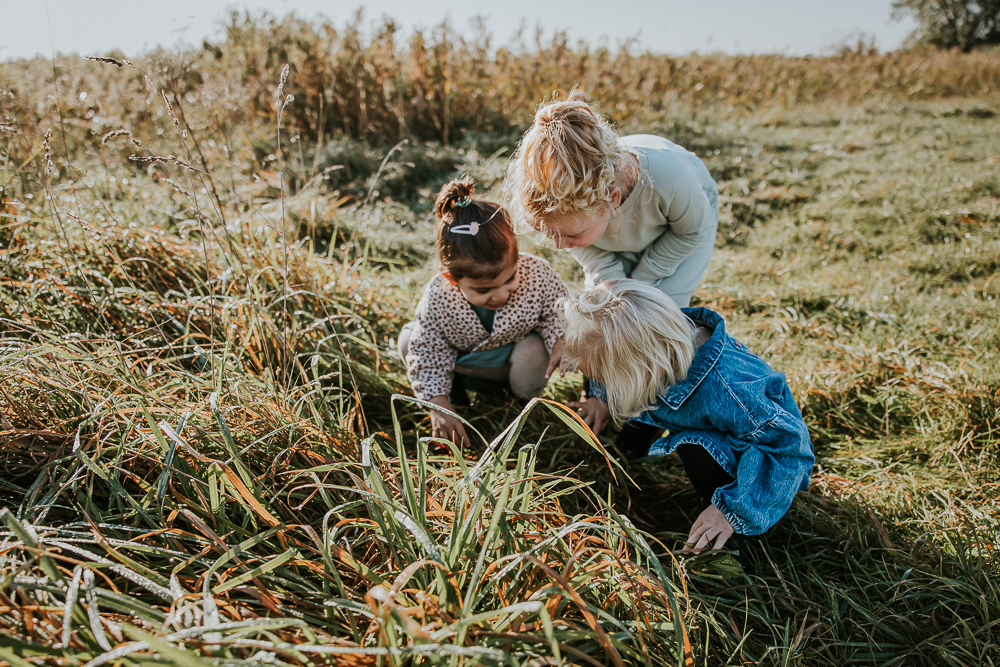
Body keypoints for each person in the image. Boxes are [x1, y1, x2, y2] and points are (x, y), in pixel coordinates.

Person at [504, 94, 720, 432]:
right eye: (550, 235)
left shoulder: (670, 177)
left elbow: (690, 232)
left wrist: (640, 283)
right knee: (601, 318)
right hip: (602, 232)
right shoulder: (573, 220)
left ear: (612, 201)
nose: (560, 247)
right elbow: (587, 251)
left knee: (661, 316)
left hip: (682, 234)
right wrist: (611, 283)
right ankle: (602, 398)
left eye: (568, 236)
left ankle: (654, 410)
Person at [559, 280, 814, 553]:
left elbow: (789, 450)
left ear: (646, 367)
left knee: (697, 449)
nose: (603, 383)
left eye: (606, 380)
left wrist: (731, 510)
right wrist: (600, 398)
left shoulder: (730, 389)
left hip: (761, 467)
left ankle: (728, 536)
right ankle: (628, 450)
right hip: (667, 395)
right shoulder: (654, 340)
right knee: (635, 394)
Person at [398, 178, 570, 445]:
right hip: (463, 366)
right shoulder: (439, 296)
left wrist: (561, 339)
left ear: (517, 257)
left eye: (509, 279)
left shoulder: (536, 274)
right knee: (410, 340)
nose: (500, 295)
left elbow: (557, 311)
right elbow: (427, 350)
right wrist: (437, 406)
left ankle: (519, 404)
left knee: (536, 348)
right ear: (452, 279)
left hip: (509, 366)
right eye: (483, 290)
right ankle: (454, 403)